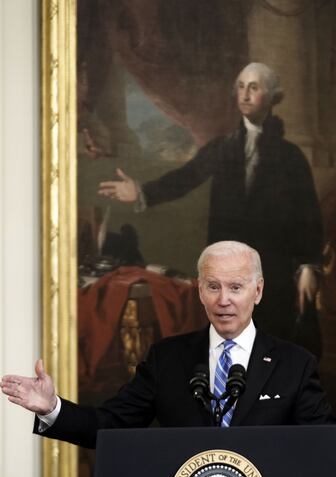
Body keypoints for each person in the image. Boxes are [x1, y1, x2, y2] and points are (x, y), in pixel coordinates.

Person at [0, 241, 336, 473]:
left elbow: (322, 439)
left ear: (257, 291)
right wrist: (51, 408)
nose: (223, 300)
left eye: (236, 287)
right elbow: (111, 426)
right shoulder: (167, 358)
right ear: (199, 290)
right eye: (213, 287)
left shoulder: (294, 363)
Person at [98, 62, 323, 354]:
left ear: (271, 97)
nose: (244, 94)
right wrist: (141, 192)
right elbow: (185, 178)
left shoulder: (290, 157)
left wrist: (308, 265)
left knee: (272, 345)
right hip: (228, 267)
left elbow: (308, 216)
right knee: (229, 346)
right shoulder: (223, 148)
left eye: (253, 87)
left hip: (273, 271)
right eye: (241, 86)